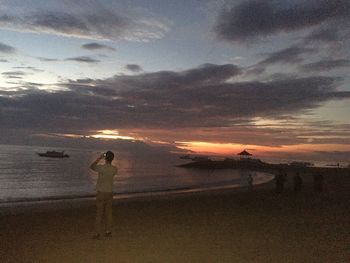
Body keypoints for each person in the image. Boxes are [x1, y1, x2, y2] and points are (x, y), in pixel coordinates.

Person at [90, 151, 118, 239]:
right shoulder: (114, 169)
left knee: (99, 213)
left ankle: (97, 233)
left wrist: (99, 158)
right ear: (112, 159)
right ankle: (108, 231)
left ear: (105, 158)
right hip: (109, 192)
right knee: (108, 213)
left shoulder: (102, 168)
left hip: (101, 192)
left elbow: (92, 166)